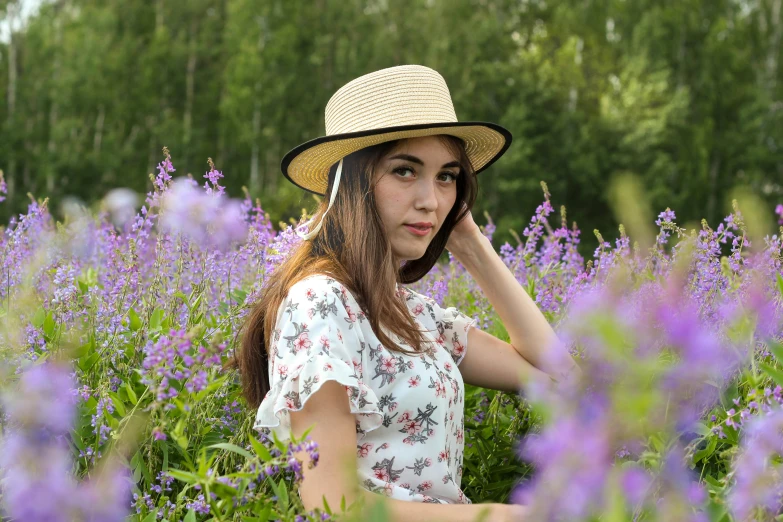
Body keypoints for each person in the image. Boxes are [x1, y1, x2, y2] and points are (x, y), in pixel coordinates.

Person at [231, 65, 580, 521]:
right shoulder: (318, 304)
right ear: (354, 183)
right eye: (404, 170)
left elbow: (563, 380)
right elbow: (333, 507)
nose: (430, 201)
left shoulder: (413, 316)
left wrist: (471, 245)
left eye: (446, 177)